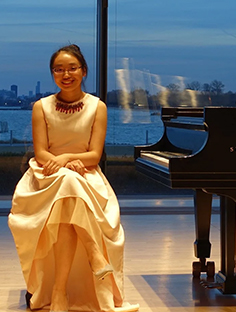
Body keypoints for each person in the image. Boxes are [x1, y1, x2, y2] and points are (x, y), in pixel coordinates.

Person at [8, 44, 138, 312]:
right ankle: (94, 253)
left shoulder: (97, 107)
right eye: (58, 69)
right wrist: (65, 163)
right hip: (47, 175)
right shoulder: (41, 107)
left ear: (84, 71)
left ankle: (59, 294)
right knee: (68, 183)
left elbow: (94, 155)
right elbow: (42, 152)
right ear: (52, 74)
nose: (65, 74)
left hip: (85, 174)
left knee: (70, 190)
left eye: (72, 68)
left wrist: (67, 159)